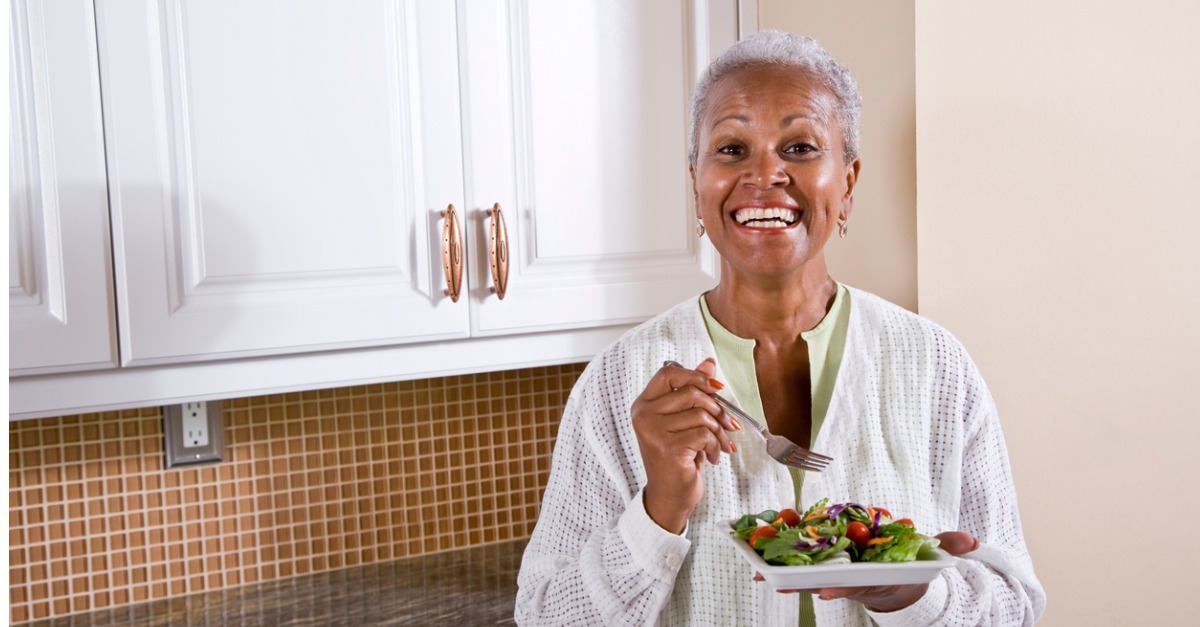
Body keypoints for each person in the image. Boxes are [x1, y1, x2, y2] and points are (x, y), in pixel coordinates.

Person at [514, 30, 1045, 626]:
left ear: (847, 183)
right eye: (732, 149)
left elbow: (1013, 607)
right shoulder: (620, 382)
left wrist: (919, 596)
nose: (765, 174)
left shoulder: (934, 367)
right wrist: (659, 510)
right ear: (696, 183)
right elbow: (547, 618)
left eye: (798, 148)